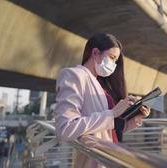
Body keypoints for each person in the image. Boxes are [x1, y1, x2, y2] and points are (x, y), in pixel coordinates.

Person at [54, 33, 150, 168]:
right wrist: (112, 113)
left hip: (109, 157)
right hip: (94, 159)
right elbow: (65, 129)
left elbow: (108, 129)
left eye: (116, 61)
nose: (113, 64)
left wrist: (136, 116)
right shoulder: (74, 75)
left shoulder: (99, 84)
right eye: (112, 58)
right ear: (95, 53)